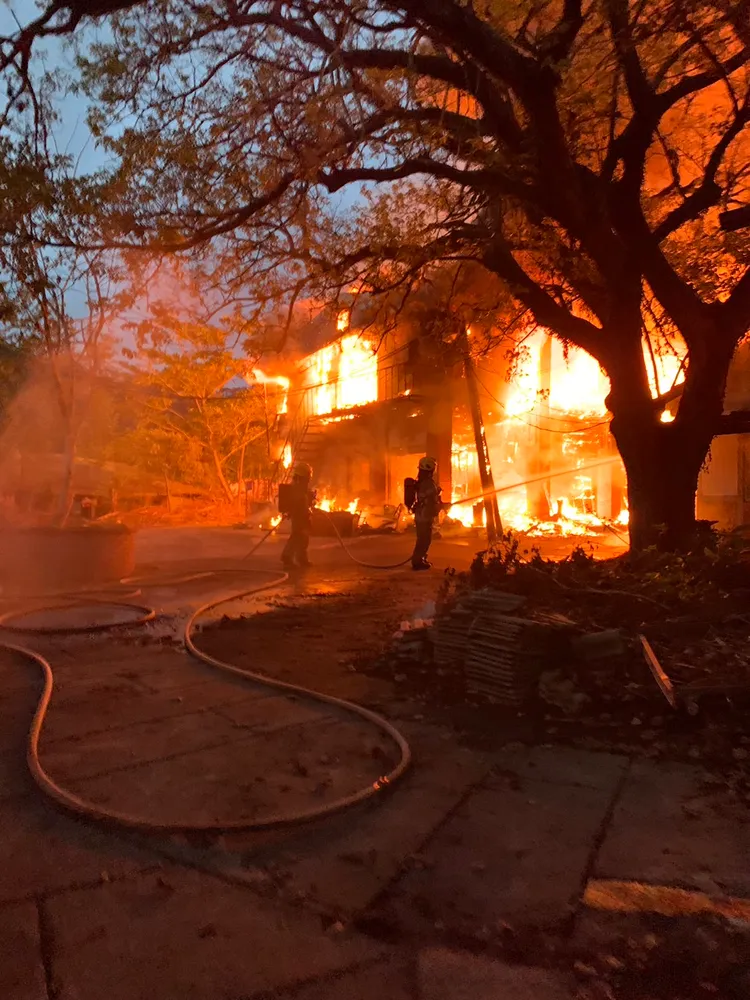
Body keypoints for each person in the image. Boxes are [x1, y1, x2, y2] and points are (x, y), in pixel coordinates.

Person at [408, 456, 447, 571]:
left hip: (423, 515)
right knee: (424, 540)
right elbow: (429, 500)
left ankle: (420, 559)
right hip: (424, 515)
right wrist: (439, 505)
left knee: (424, 539)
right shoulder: (427, 483)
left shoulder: (423, 481)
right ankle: (417, 561)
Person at [281, 461, 316, 570]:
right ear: (305, 476)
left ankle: (301, 558)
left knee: (303, 536)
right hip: (299, 514)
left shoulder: (299, 485)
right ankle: (287, 556)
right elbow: (300, 502)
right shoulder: (297, 487)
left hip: (302, 514)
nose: (309, 479)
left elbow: (304, 499)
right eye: (308, 477)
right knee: (298, 535)